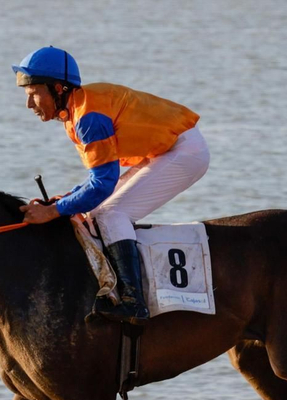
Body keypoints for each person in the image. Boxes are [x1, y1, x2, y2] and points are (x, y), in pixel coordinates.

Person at [12, 46, 209, 325]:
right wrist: (65, 199)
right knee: (96, 212)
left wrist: (54, 211)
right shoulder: (78, 108)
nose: (29, 105)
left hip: (184, 153)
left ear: (57, 88)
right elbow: (101, 177)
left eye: (33, 94)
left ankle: (133, 302)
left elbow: (103, 186)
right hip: (169, 150)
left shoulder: (88, 117)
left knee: (111, 213)